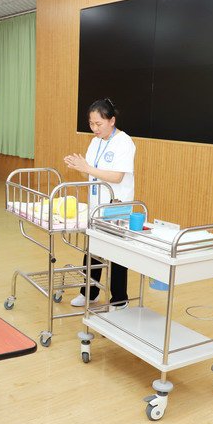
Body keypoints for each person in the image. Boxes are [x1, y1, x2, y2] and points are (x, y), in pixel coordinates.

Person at [64, 98, 136, 308]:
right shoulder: (95, 141)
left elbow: (117, 177)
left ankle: (120, 300)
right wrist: (80, 167)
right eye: (91, 124)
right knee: (92, 250)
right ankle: (89, 293)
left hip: (116, 207)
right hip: (97, 205)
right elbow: (90, 171)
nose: (94, 128)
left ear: (112, 121)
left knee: (116, 254)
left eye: (98, 124)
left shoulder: (124, 142)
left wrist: (87, 168)